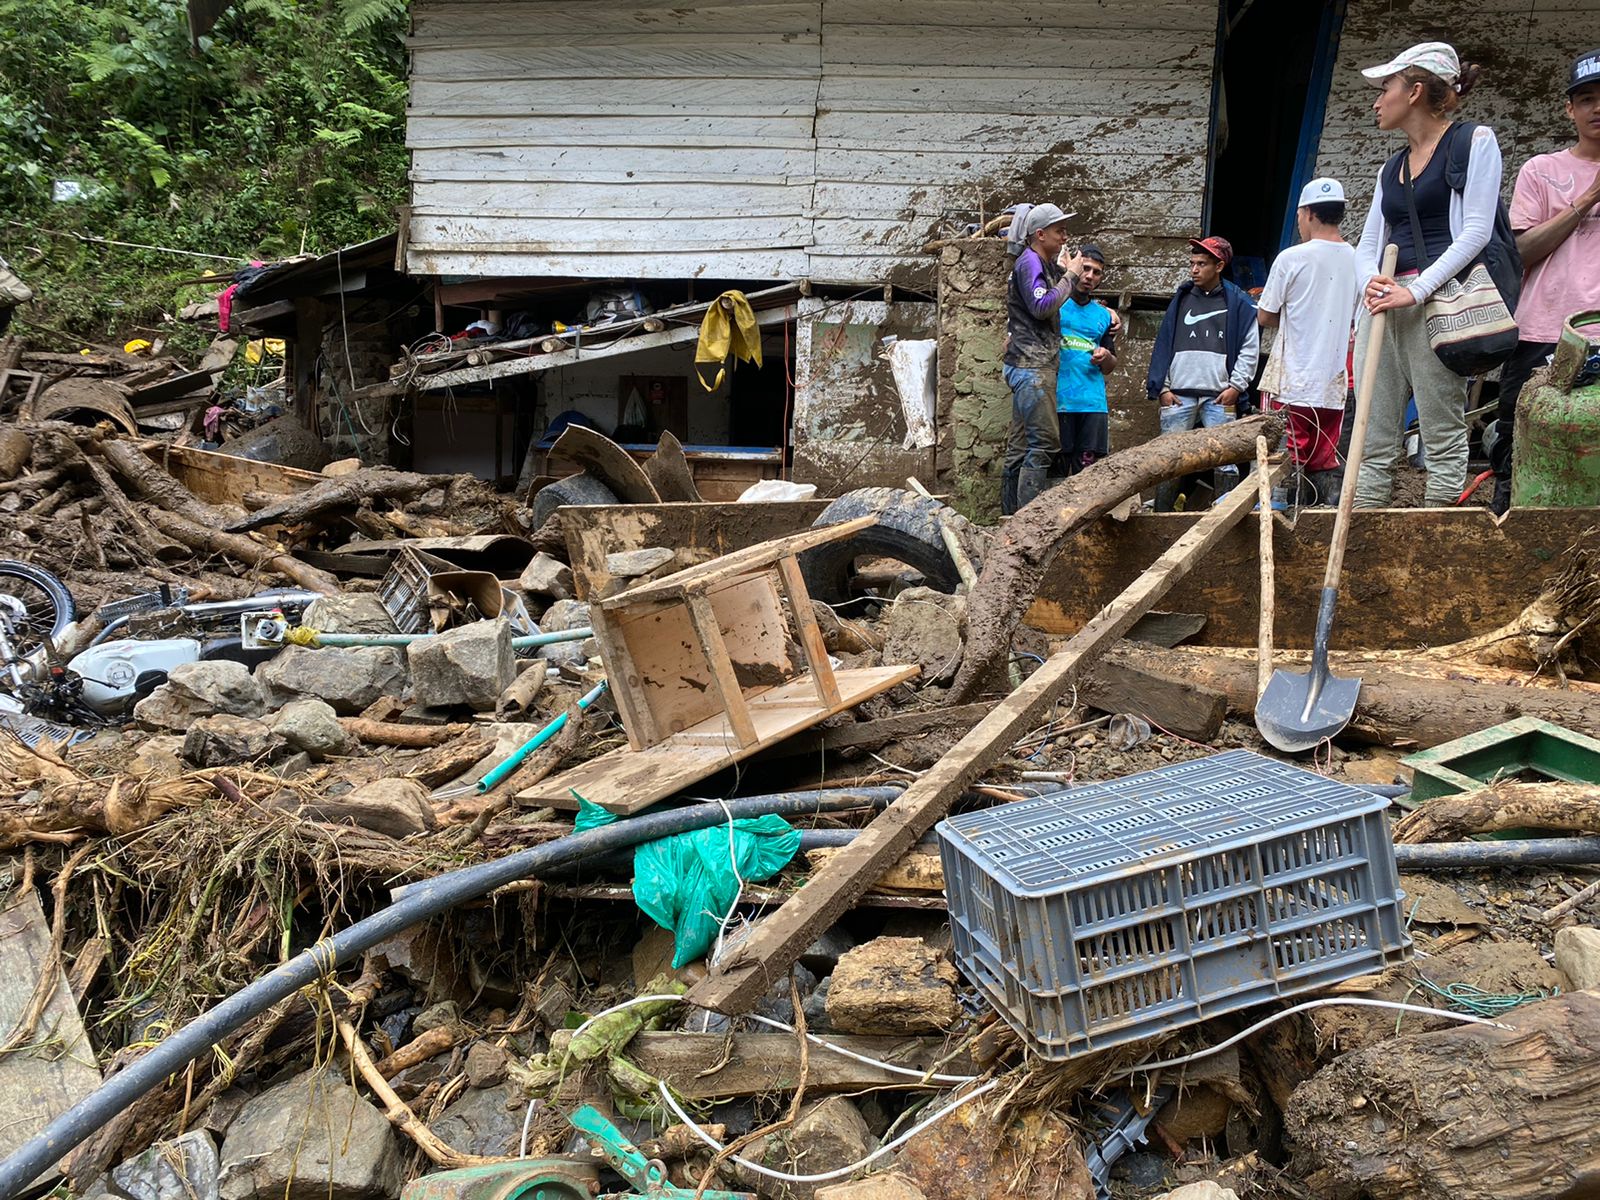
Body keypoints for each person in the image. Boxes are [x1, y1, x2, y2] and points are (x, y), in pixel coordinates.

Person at [1352, 41, 1499, 508]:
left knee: (1440, 431)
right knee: (1370, 435)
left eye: (1385, 88)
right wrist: (1369, 283)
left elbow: (1476, 231)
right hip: (1383, 304)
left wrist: (1414, 291)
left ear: (1414, 91)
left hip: (1438, 304)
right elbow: (1368, 245)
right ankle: (1362, 533)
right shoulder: (1390, 167)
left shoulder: (1474, 141)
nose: (1376, 101)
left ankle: (1436, 534)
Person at [1486, 48, 1600, 514]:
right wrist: (1590, 196)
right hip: (1543, 330)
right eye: (1587, 98)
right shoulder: (1542, 170)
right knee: (1518, 442)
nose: (1599, 108)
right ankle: (1505, 536)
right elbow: (1522, 252)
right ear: (1569, 109)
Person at [1257, 178, 1361, 505]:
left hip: (1294, 382)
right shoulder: (1359, 260)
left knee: (1279, 465)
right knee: (1325, 466)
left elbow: (1265, 316)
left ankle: (1275, 522)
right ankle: (1317, 530)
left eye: (1300, 215)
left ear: (1309, 213)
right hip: (1338, 385)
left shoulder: (1292, 258)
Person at [1146, 235, 1259, 510]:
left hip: (1220, 396)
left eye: (1202, 264)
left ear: (1219, 266)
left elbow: (1250, 347)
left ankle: (1225, 518)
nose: (1194, 269)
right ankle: (1161, 518)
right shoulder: (1182, 298)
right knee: (1168, 460)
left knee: (1226, 462)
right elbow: (1164, 343)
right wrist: (1162, 388)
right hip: (1179, 395)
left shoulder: (1239, 302)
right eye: (1192, 263)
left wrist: (1236, 387)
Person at [1001, 203, 1085, 512]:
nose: (1065, 236)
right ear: (1040, 234)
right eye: (1059, 230)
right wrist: (1071, 276)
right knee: (1045, 444)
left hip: (1026, 365)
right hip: (1032, 368)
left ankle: (1008, 518)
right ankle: (1027, 525)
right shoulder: (1030, 263)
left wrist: (1065, 272)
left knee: (1019, 449)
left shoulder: (1041, 263)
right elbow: (1041, 307)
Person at [1053, 242, 1118, 475]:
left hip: (1092, 404)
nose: (1089, 276)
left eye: (1096, 272)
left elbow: (1111, 366)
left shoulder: (1103, 315)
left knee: (1087, 475)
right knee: (1055, 472)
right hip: (1058, 400)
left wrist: (1106, 356)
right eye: (1085, 268)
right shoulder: (1054, 304)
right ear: (1074, 267)